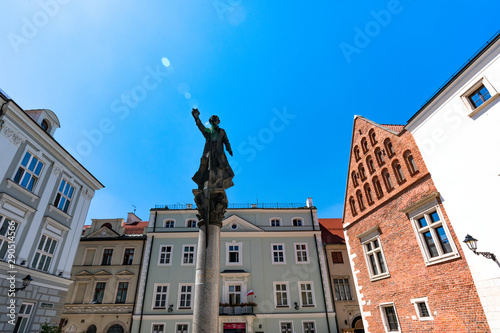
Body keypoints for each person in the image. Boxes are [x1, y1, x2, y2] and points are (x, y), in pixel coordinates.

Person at [192, 108, 234, 190]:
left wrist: (229, 149)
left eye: (216, 120)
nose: (214, 121)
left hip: (219, 153)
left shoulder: (222, 131)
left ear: (218, 122)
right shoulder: (208, 131)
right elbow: (200, 127)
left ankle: (219, 183)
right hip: (209, 153)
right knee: (207, 169)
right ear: (211, 122)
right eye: (212, 120)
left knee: (220, 168)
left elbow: (226, 140)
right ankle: (206, 184)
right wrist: (196, 118)